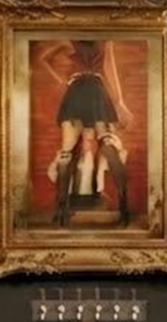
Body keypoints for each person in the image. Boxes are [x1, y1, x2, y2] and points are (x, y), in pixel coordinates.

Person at [36, 39, 132, 225]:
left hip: (76, 91)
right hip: (96, 91)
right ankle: (124, 208)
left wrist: (62, 81)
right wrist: (119, 102)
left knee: (67, 152)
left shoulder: (70, 38)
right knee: (107, 143)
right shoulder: (105, 39)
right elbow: (109, 68)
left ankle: (61, 211)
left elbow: (43, 59)